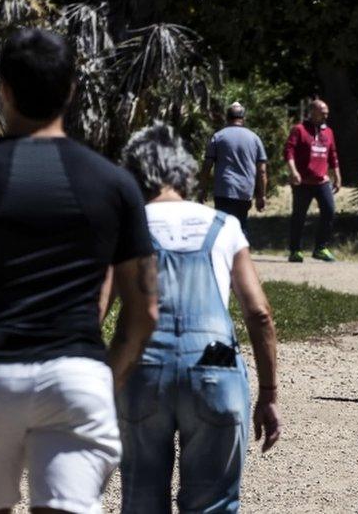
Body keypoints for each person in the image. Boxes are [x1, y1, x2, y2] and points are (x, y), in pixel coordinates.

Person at [0, 28, 159, 513]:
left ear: (4, 90)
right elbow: (144, 310)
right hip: (77, 375)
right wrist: (108, 376)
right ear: (72, 90)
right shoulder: (115, 184)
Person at [118, 122, 281, 513]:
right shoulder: (225, 226)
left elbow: (95, 311)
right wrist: (269, 394)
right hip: (216, 361)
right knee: (215, 502)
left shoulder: (128, 225)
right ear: (185, 172)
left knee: (142, 500)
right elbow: (259, 313)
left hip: (145, 366)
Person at [199, 101, 268, 235]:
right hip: (244, 191)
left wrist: (202, 188)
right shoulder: (254, 138)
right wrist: (262, 195)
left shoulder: (218, 136)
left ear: (227, 118)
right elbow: (262, 170)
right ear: (244, 118)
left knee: (222, 228)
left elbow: (207, 165)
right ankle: (241, 253)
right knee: (241, 226)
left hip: (223, 190)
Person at [284, 99, 341, 263]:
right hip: (303, 182)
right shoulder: (299, 130)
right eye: (322, 112)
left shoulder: (328, 132)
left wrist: (337, 175)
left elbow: (333, 155)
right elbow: (289, 151)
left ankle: (321, 248)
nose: (326, 115)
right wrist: (293, 171)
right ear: (312, 112)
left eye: (327, 112)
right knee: (299, 216)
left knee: (329, 211)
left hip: (322, 181)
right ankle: (295, 250)